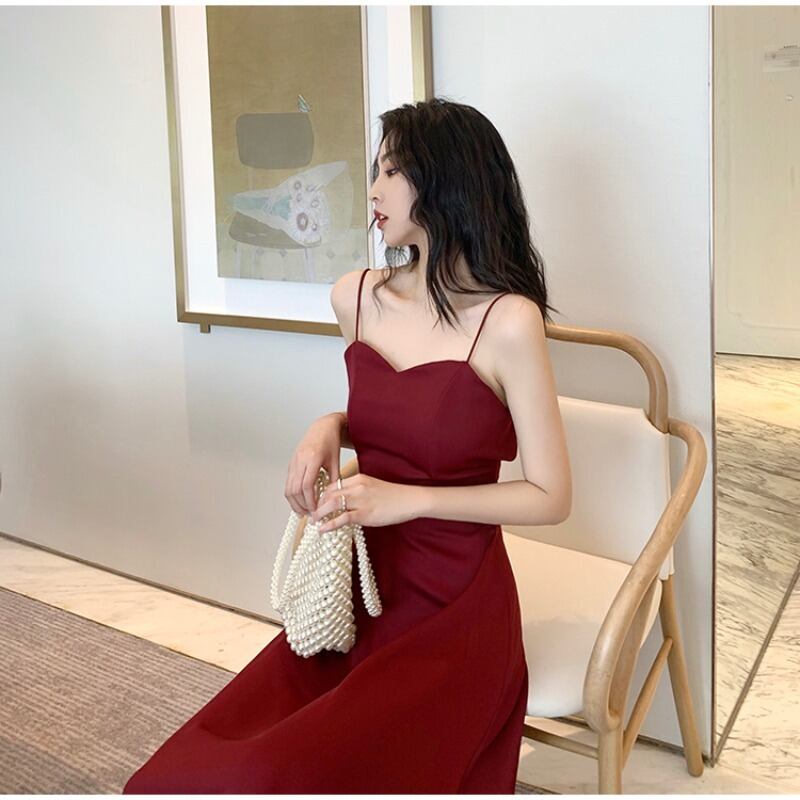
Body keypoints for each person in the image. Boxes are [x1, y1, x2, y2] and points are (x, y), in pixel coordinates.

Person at [123, 97, 572, 794]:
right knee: (197, 772)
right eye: (376, 171)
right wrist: (327, 426)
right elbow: (397, 420)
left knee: (291, 773)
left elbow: (550, 495)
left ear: (447, 180)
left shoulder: (508, 321)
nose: (373, 190)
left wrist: (407, 500)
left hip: (453, 606)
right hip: (358, 588)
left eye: (392, 171)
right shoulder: (355, 297)